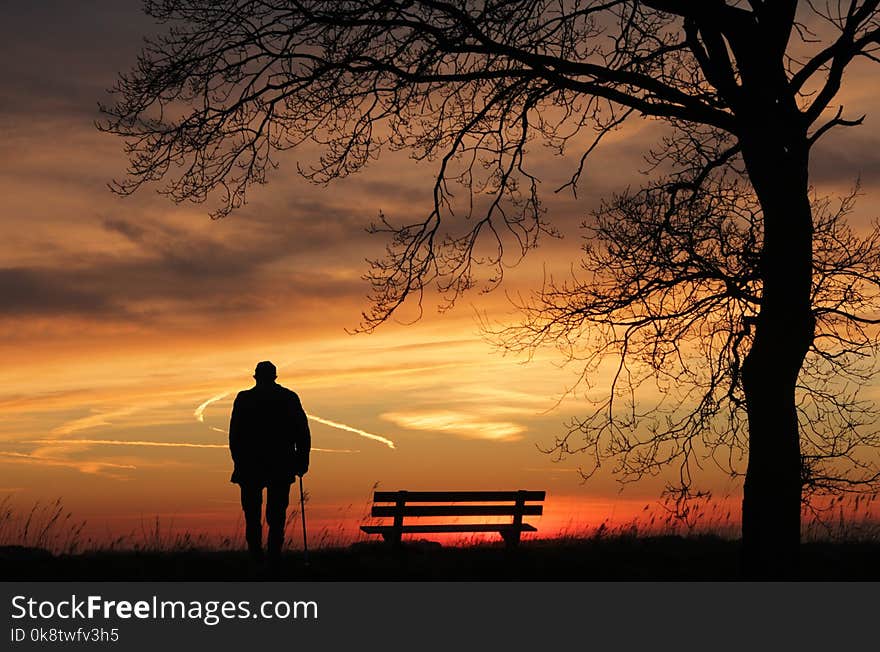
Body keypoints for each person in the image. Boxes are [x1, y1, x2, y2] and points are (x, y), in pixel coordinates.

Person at [228, 361, 310, 567]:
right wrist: (301, 461)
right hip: (280, 465)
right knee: (276, 514)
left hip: (251, 466)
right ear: (274, 377)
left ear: (256, 377)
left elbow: (234, 436)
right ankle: (273, 556)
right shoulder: (289, 398)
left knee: (253, 515)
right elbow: (302, 432)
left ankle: (257, 557)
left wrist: (239, 462)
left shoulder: (244, 399)